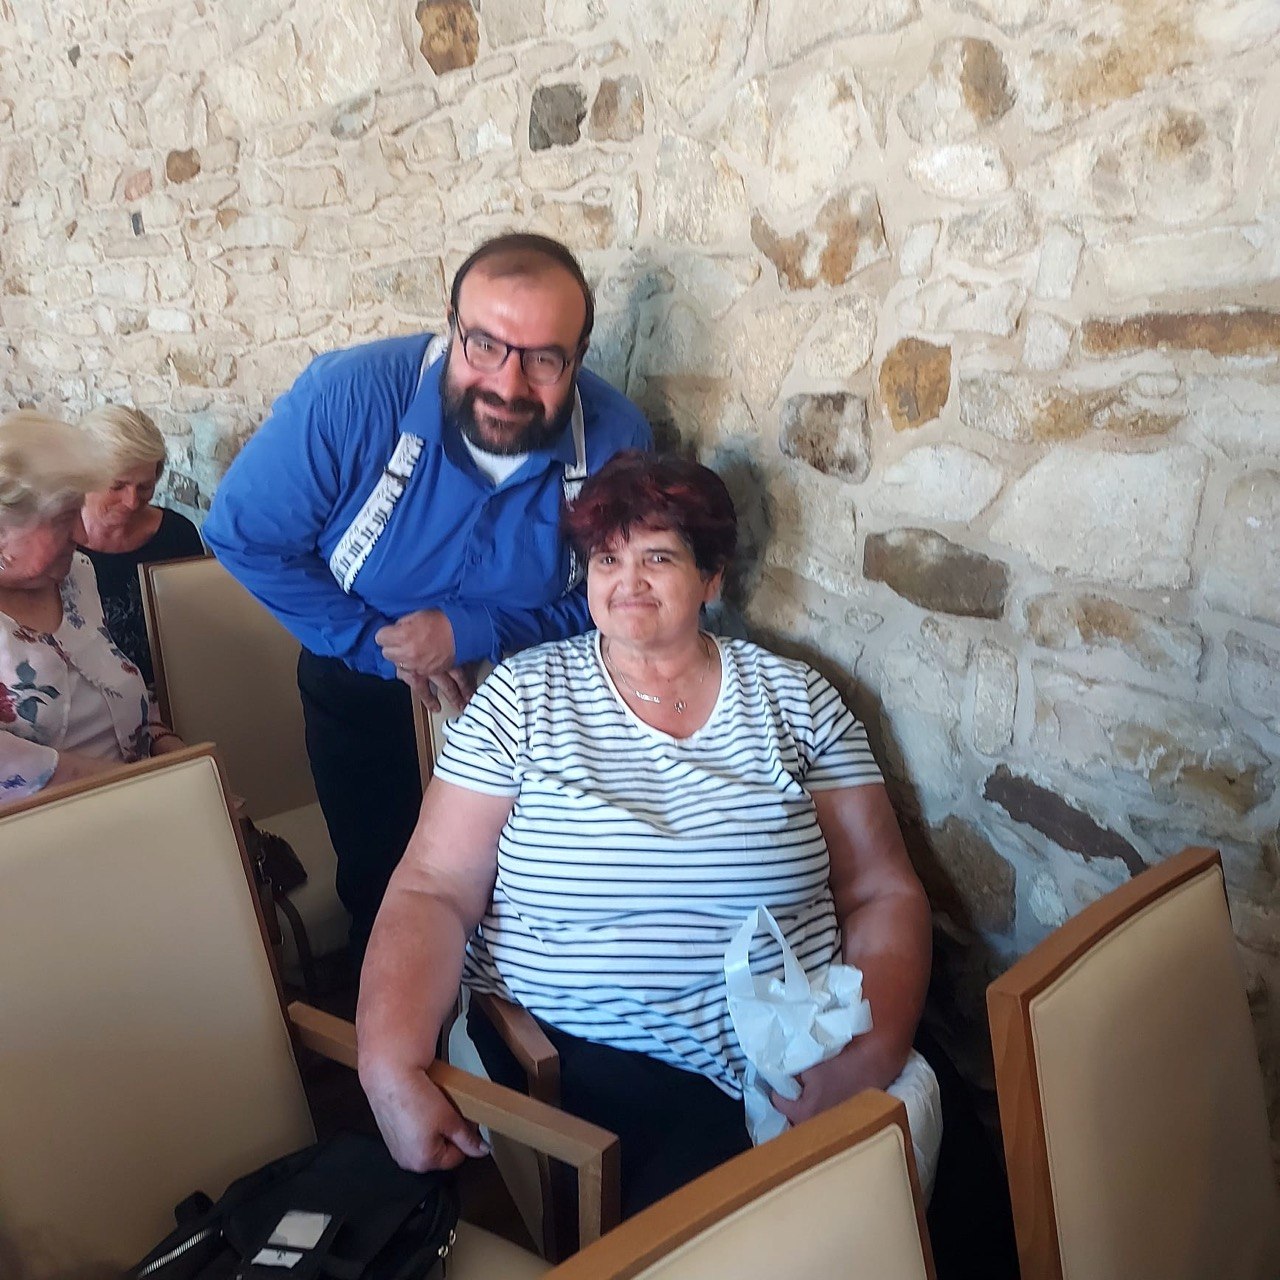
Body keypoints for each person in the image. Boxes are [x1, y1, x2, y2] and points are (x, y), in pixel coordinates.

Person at [357, 451, 936, 1216]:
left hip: (798, 1037)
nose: (627, 580)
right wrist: (389, 1066)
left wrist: (871, 1052)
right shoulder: (520, 698)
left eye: (657, 557)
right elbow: (432, 888)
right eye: (607, 559)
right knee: (742, 1231)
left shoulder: (796, 698)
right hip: (592, 1059)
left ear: (712, 578)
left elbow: (881, 891)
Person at [203, 233, 652, 955]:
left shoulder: (616, 439)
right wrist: (378, 646)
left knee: (520, 900)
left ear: (579, 355)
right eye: (485, 346)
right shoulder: (348, 396)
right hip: (361, 692)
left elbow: (618, 601)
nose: (508, 385)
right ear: (451, 326)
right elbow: (245, 536)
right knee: (379, 893)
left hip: (527, 704)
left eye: (544, 359)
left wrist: (471, 631)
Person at [0, 411, 186, 804]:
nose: (82, 533)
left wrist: (168, 746)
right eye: (66, 518)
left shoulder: (76, 573)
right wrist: (159, 789)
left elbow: (115, 684)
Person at [75, 404, 204, 687]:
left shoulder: (177, 534)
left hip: (168, 691)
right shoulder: (57, 543)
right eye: (117, 486)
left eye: (144, 486)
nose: (132, 501)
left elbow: (195, 628)